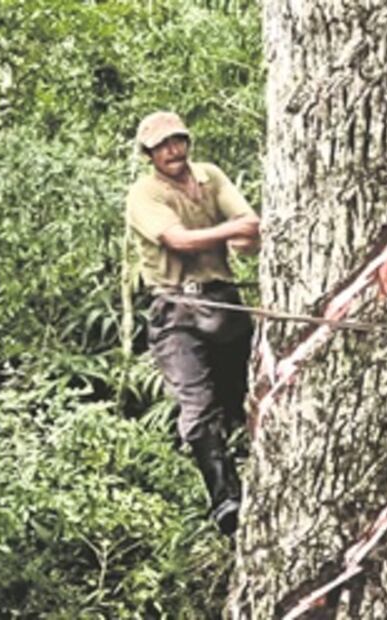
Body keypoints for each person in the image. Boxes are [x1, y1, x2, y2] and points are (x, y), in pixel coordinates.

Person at [126, 111, 260, 536]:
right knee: (197, 405)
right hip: (176, 310)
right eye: (162, 146)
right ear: (148, 154)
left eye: (178, 141)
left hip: (224, 303)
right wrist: (231, 231)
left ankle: (261, 472)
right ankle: (224, 496)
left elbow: (249, 233)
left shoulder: (210, 177)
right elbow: (177, 240)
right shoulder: (144, 194)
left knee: (250, 394)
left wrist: (243, 234)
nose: (173, 151)